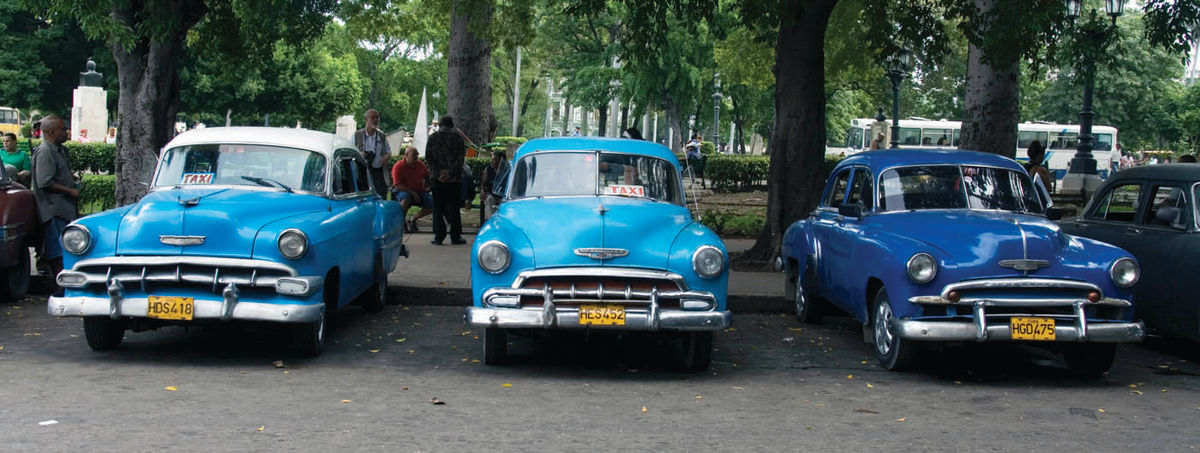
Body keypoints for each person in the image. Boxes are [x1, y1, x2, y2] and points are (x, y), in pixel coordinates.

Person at [30, 115, 80, 292]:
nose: (66, 132)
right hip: (53, 209)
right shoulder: (45, 151)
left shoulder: (60, 150)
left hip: (65, 209)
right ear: (51, 132)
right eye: (62, 129)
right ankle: (62, 287)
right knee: (56, 251)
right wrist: (70, 191)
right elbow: (45, 182)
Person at [425, 116, 466, 245]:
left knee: (438, 208)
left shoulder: (432, 138)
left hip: (437, 179)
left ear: (441, 124)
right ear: (452, 124)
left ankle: (439, 236)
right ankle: (455, 236)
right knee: (454, 207)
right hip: (453, 179)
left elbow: (429, 157)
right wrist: (450, 172)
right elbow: (460, 159)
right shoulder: (458, 138)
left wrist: (438, 173)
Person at [390, 146, 433, 234]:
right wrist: (413, 193)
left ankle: (413, 219)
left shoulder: (420, 164)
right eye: (414, 155)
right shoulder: (398, 166)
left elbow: (427, 176)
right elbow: (397, 184)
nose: (416, 157)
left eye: (417, 155)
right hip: (402, 191)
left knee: (434, 203)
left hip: (420, 191)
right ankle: (402, 223)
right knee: (405, 200)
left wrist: (428, 186)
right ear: (406, 155)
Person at [354, 109, 391, 198]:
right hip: (362, 172)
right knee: (363, 196)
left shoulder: (382, 136)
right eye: (373, 117)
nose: (376, 120)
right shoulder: (357, 135)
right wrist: (359, 154)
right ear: (366, 119)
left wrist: (386, 157)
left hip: (378, 172)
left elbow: (389, 152)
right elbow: (349, 151)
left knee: (381, 195)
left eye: (377, 117)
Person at [479, 150, 509, 222]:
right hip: (491, 194)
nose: (492, 162)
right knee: (489, 200)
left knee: (504, 203)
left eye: (495, 160)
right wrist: (482, 190)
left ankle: (502, 222)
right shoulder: (488, 169)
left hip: (503, 195)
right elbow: (483, 184)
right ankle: (491, 222)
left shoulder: (507, 170)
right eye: (492, 160)